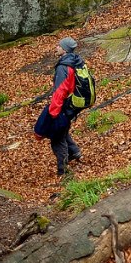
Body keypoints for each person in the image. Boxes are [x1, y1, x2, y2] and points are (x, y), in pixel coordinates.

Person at [45, 37, 86, 178]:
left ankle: (63, 171)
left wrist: (53, 112)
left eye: (59, 46)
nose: (56, 47)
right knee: (62, 130)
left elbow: (60, 91)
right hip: (72, 104)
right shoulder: (75, 61)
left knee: (57, 138)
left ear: (64, 50)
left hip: (63, 106)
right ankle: (75, 152)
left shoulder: (64, 66)